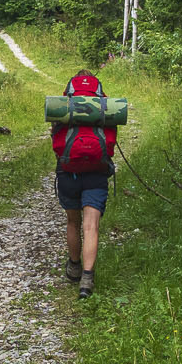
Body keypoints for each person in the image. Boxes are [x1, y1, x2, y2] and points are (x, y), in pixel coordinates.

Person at [51, 72, 117, 299]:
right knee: (91, 227)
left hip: (69, 172)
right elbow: (111, 140)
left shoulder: (63, 107)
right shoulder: (106, 108)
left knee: (73, 221)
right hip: (97, 172)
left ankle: (74, 266)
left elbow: (56, 140)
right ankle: (87, 280)